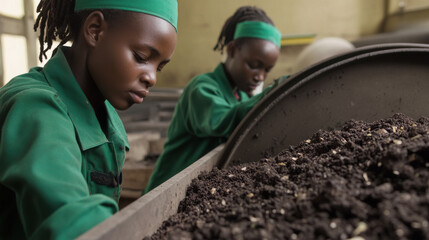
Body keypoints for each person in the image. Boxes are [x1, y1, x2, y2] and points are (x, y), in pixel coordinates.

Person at [0, 0, 177, 239]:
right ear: (95, 30)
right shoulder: (35, 108)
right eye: (141, 56)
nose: (152, 78)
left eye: (160, 67)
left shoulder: (106, 117)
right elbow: (72, 219)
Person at [144, 6, 285, 193]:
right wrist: (276, 90)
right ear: (233, 50)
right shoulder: (202, 88)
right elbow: (224, 121)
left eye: (267, 70)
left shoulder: (242, 96)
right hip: (165, 193)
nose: (260, 76)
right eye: (254, 65)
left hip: (197, 191)